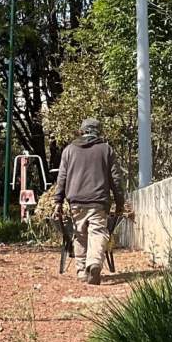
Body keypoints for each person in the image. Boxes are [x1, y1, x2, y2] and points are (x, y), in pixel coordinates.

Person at [52, 118, 124, 285]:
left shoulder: (69, 151)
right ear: (99, 132)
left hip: (75, 201)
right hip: (98, 201)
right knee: (98, 232)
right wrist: (120, 202)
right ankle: (94, 264)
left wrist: (58, 202)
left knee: (80, 234)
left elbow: (61, 178)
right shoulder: (106, 150)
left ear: (82, 131)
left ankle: (81, 271)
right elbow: (116, 179)